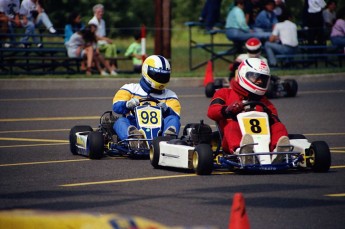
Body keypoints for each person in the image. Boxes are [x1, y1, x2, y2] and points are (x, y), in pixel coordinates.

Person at [207, 58, 289, 164]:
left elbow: (275, 118)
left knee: (279, 127)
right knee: (232, 125)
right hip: (231, 140)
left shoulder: (264, 101)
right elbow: (211, 111)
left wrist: (269, 115)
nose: (260, 81)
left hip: (263, 140)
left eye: (263, 79)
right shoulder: (224, 93)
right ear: (243, 74)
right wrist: (227, 110)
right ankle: (242, 153)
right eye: (256, 77)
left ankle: (277, 152)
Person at [112, 55, 181, 147]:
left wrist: (167, 110)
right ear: (146, 72)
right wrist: (127, 105)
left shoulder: (170, 95)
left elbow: (176, 116)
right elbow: (116, 107)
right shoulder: (130, 88)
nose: (161, 79)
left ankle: (168, 140)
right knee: (120, 121)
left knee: (173, 119)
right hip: (135, 124)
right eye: (158, 76)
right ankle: (134, 138)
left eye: (164, 76)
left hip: (159, 131)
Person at [88, 4, 118, 73]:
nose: (101, 13)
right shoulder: (92, 22)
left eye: (102, 11)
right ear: (95, 12)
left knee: (113, 46)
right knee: (109, 47)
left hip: (102, 42)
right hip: (96, 43)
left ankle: (112, 65)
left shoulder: (103, 22)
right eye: (99, 12)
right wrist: (106, 39)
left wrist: (107, 40)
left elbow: (103, 35)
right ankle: (107, 66)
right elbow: (94, 36)